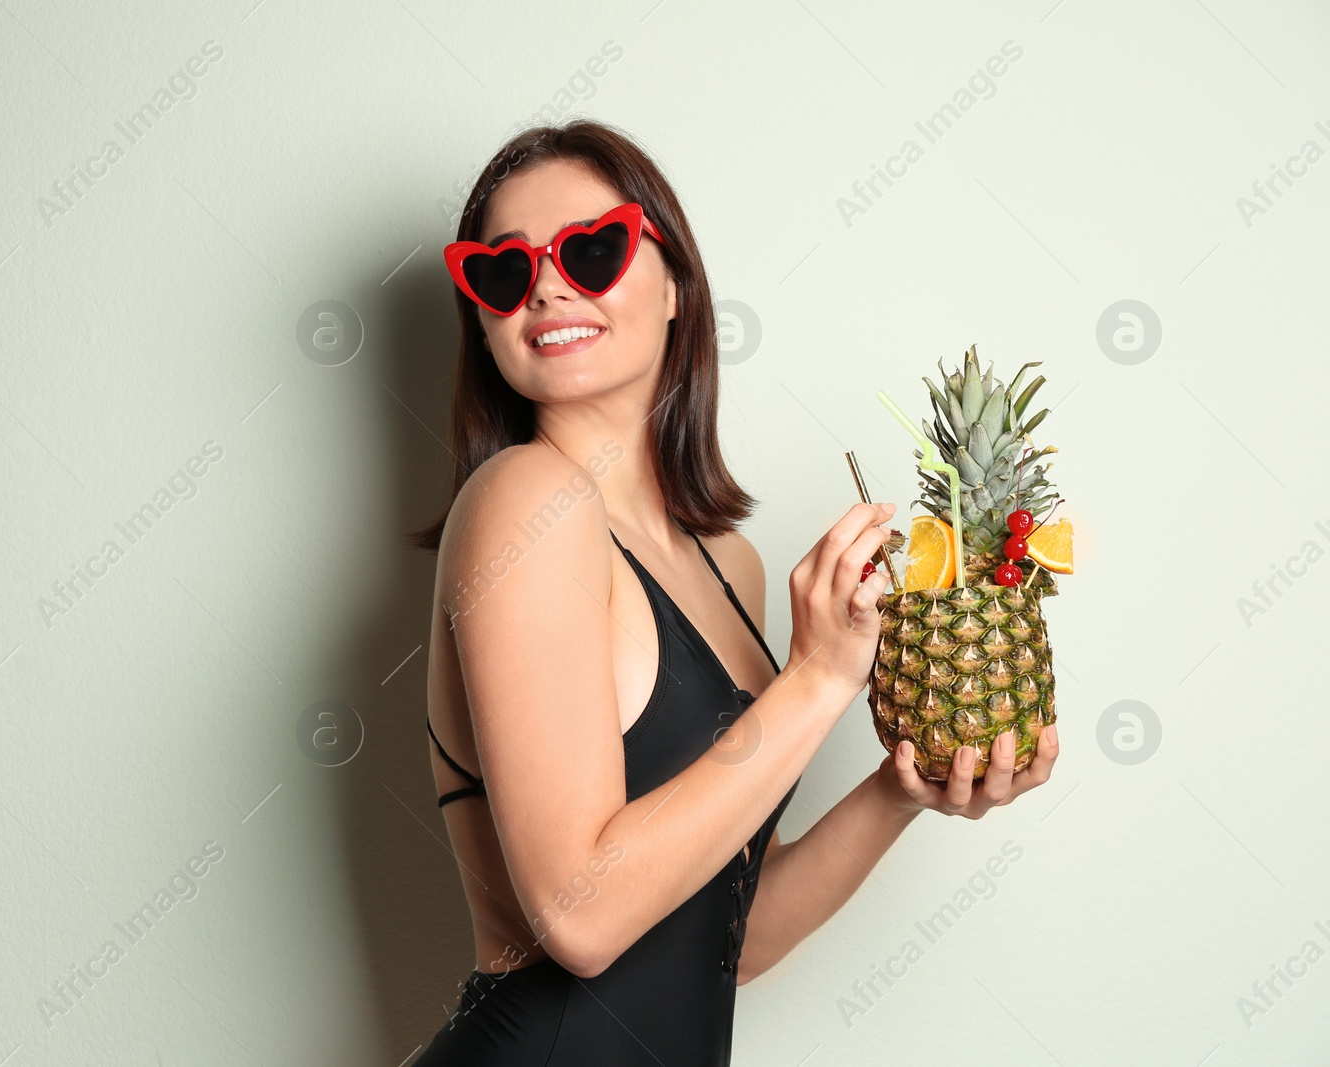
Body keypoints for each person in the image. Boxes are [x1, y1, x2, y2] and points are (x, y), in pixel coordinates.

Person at [405, 119, 1058, 1065]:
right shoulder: (522, 502)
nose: (547, 284)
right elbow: (581, 919)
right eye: (502, 270)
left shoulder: (725, 561)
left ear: (675, 284)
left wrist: (897, 790)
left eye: (594, 250)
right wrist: (820, 678)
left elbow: (726, 939)